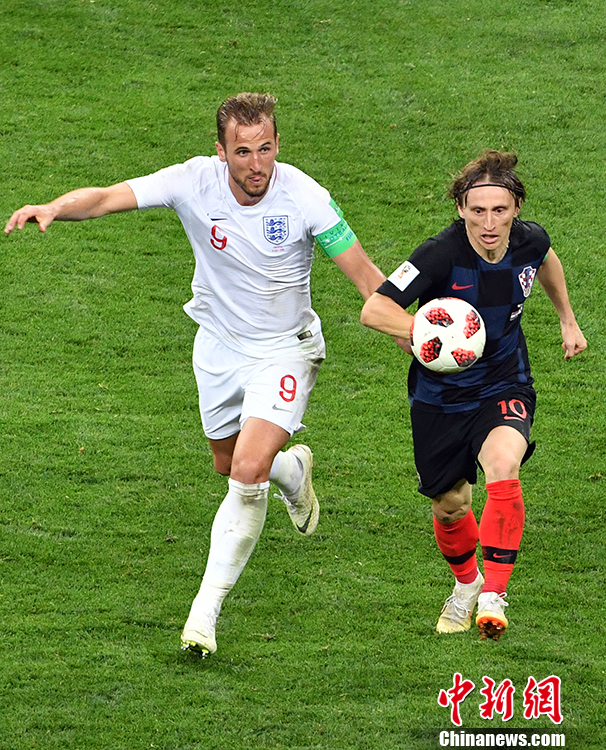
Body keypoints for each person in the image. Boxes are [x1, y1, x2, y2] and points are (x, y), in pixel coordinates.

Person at [5, 92, 386, 656]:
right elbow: (108, 197)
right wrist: (55, 207)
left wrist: (412, 335)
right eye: (242, 152)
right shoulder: (192, 181)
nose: (256, 165)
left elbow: (367, 278)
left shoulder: (306, 197)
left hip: (285, 350)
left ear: (277, 144)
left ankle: (204, 613)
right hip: (218, 348)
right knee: (229, 463)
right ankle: (292, 471)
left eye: (265, 149)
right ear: (221, 151)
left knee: (246, 470)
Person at [360, 149, 586, 640]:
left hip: (505, 382)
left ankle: (493, 596)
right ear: (460, 207)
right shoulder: (438, 254)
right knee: (451, 506)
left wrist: (567, 319)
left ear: (516, 208)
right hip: (440, 398)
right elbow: (375, 309)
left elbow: (546, 259)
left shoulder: (530, 240)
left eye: (499, 210)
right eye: (477, 210)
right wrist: (430, 334)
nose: (489, 223)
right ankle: (467, 584)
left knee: (503, 463)